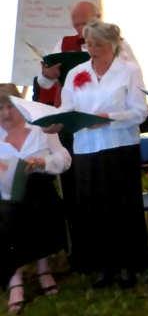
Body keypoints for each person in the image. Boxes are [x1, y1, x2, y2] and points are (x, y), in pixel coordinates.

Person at [57, 21, 148, 288]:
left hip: (119, 146)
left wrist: (109, 118)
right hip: (86, 149)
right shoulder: (76, 72)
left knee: (122, 207)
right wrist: (62, 120)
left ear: (114, 46)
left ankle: (128, 265)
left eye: (100, 45)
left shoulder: (128, 71)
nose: (93, 50)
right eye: (90, 44)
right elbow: (67, 107)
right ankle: (103, 266)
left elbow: (140, 112)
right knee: (93, 208)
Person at [0, 85, 70, 314]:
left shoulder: (41, 127)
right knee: (8, 213)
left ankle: (43, 267)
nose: (7, 113)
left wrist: (43, 163)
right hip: (4, 194)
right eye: (1, 107)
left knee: (39, 201)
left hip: (39, 188)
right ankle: (15, 278)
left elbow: (64, 159)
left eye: (11, 106)